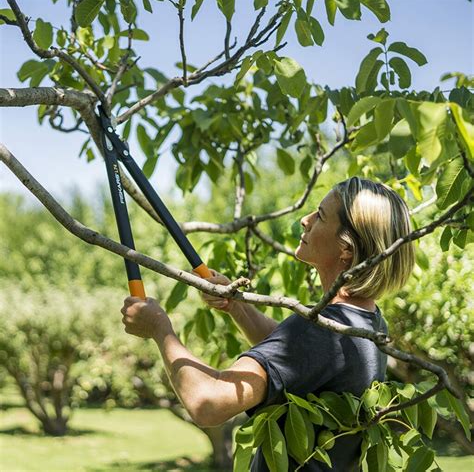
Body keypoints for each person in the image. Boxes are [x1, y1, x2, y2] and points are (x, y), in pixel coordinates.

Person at [120, 177, 415, 471]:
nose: (305, 220)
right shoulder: (367, 322)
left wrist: (160, 329)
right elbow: (297, 360)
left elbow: (208, 403)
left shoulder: (320, 331)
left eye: (321, 216)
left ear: (346, 249)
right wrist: (237, 307)